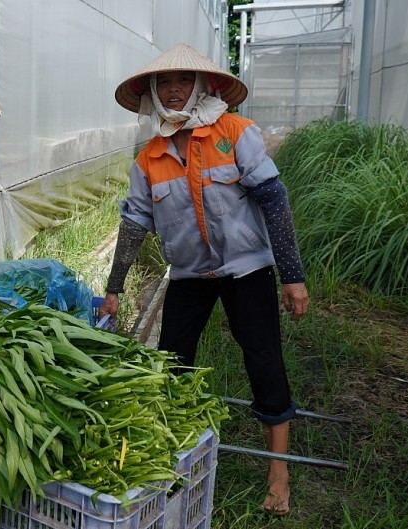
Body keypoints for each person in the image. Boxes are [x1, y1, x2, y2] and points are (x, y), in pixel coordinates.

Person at [100, 43, 310, 516]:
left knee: (263, 359)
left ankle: (279, 473)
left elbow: (274, 202)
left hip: (246, 269)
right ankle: (174, 455)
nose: (174, 92)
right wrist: (114, 287)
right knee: (173, 363)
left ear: (204, 87)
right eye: (165, 84)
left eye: (183, 82)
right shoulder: (149, 157)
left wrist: (292, 277)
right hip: (191, 274)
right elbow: (134, 223)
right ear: (152, 94)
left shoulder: (235, 134)